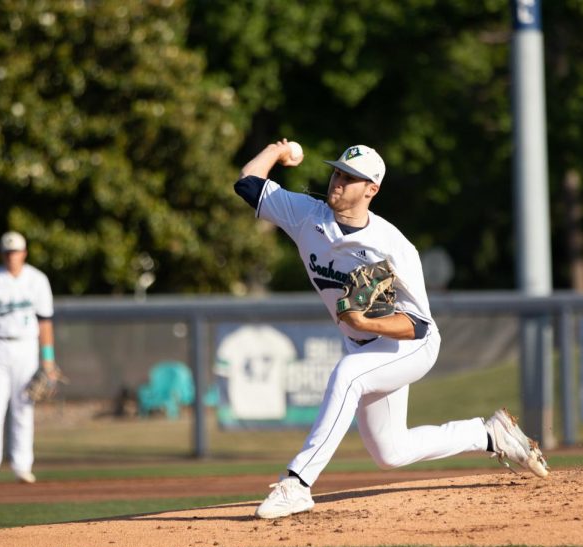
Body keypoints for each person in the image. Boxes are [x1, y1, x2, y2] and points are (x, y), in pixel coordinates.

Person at [234, 140, 549, 519]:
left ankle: (297, 483)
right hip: (363, 347)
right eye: (337, 172)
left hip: (409, 346)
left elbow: (418, 325)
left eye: (351, 178)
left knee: (348, 376)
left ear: (371, 189)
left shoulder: (393, 247)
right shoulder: (306, 215)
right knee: (390, 452)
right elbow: (248, 184)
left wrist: (367, 322)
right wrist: (275, 150)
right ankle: (488, 435)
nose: (338, 181)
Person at [0, 231, 56, 485]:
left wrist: (48, 359)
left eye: (16, 251)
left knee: (24, 407)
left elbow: (45, 321)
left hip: (26, 347)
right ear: (2, 254)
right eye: (8, 252)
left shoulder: (37, 280)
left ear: (24, 253)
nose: (12, 256)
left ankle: (22, 466)